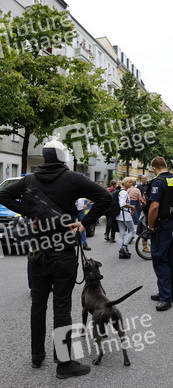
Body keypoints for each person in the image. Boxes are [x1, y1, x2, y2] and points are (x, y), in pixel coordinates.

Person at [0, 140, 112, 379]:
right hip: (62, 253)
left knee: (37, 306)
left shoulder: (29, 180)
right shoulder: (72, 178)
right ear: (63, 157)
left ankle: (36, 357)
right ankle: (63, 363)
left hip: (37, 252)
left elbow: (3, 195)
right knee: (62, 307)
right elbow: (105, 198)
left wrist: (29, 211)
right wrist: (84, 223)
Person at [148, 157, 173, 311]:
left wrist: (150, 225)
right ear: (165, 165)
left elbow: (154, 206)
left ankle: (165, 298)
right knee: (170, 259)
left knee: (159, 259)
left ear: (154, 167)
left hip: (162, 226)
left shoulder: (158, 182)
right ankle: (167, 293)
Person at [116, 177, 136, 259]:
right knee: (132, 230)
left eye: (131, 182)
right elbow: (122, 203)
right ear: (125, 183)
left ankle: (121, 251)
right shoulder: (124, 192)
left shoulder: (120, 191)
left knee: (121, 233)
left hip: (120, 214)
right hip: (125, 214)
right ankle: (124, 246)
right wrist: (131, 207)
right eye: (129, 182)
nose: (130, 184)